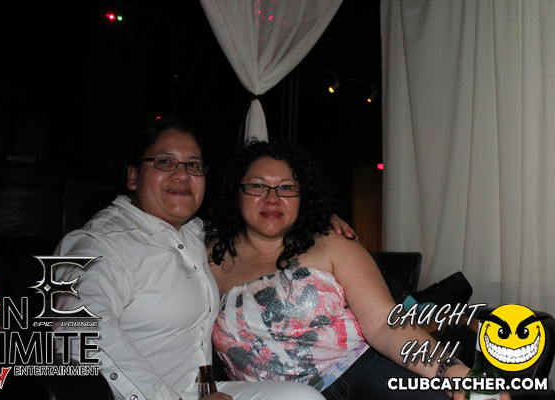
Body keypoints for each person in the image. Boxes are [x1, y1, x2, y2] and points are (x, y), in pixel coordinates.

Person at [52, 115, 351, 400]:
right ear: (133, 176)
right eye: (165, 162)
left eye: (193, 165)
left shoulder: (193, 233)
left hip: (200, 390)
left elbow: (258, 227)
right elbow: (76, 330)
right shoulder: (99, 243)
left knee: (302, 397)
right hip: (142, 394)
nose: (181, 175)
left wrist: (318, 221)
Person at [205, 140, 501, 400]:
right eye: (258, 186)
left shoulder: (333, 244)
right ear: (237, 192)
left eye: (286, 187)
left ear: (301, 196)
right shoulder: (203, 257)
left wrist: (450, 370)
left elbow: (384, 323)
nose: (272, 198)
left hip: (365, 373)